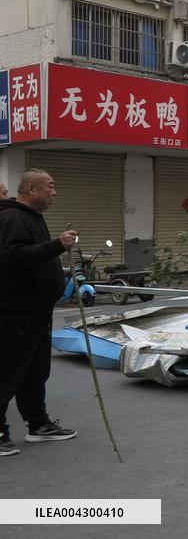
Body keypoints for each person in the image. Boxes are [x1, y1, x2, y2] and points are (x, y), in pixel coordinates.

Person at [0, 170, 80, 456]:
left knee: (35, 372)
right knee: (9, 372)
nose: (54, 191)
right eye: (50, 186)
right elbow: (12, 257)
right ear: (31, 189)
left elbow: (35, 255)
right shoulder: (11, 218)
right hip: (16, 313)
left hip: (37, 312)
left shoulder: (32, 217)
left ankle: (38, 424)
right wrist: (57, 245)